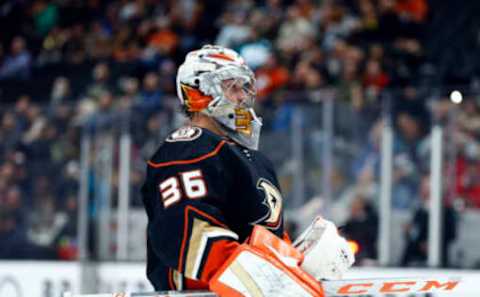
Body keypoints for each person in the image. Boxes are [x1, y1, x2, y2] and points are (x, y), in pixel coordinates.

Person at [141, 45, 354, 296]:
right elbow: (184, 233)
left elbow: (261, 235)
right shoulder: (189, 147)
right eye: (232, 86)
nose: (243, 96)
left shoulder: (253, 158)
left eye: (244, 87)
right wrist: (264, 281)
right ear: (199, 92)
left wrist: (294, 263)